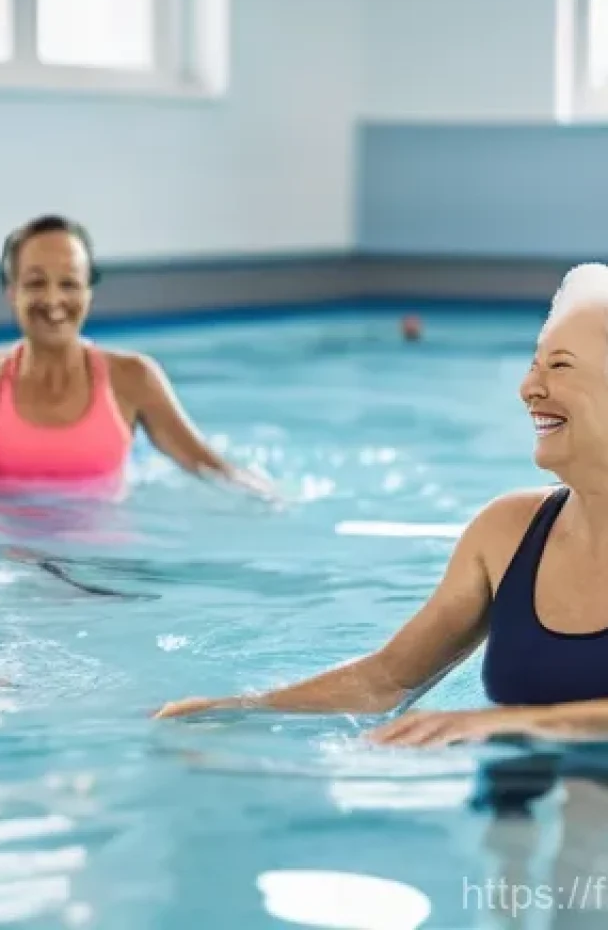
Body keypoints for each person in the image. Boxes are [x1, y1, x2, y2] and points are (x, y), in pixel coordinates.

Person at [156, 263, 608, 746]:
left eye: (558, 366)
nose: (528, 389)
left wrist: (518, 722)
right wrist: (242, 711)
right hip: (523, 814)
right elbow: (387, 680)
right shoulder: (508, 534)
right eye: (533, 365)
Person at [0, 215, 277, 499]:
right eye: (35, 283)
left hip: (108, 568)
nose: (53, 300)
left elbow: (208, 466)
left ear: (89, 292)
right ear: (11, 292)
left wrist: (266, 495)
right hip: (13, 567)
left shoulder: (133, 378)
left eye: (69, 284)